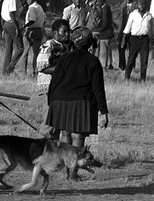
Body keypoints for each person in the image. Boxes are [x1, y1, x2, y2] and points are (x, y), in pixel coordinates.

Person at [46, 26, 109, 178]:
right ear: (89, 44)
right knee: (78, 137)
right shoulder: (93, 61)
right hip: (81, 102)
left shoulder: (64, 58)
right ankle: (73, 174)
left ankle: (66, 172)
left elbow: (54, 82)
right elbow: (98, 89)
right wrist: (104, 112)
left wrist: (51, 103)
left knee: (64, 135)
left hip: (60, 100)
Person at [36, 19, 70, 138]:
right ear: (55, 32)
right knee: (49, 119)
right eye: (64, 31)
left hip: (58, 88)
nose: (67, 34)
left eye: (68, 32)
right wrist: (63, 69)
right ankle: (42, 145)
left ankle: (53, 147)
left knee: (57, 120)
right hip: (50, 87)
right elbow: (41, 67)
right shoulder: (48, 45)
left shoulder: (63, 47)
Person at [121, 0, 154, 82]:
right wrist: (123, 40)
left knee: (144, 60)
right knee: (131, 59)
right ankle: (127, 77)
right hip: (134, 39)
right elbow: (127, 28)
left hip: (145, 40)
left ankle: (143, 78)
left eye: (143, 4)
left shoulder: (149, 15)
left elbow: (153, 29)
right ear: (137, 5)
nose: (142, 6)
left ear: (146, 5)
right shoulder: (133, 15)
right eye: (140, 4)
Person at [16, 0, 46, 76]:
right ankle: (35, 71)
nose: (27, 1)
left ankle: (21, 71)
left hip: (31, 30)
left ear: (30, 0)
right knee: (36, 53)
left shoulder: (32, 8)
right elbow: (45, 19)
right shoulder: (40, 7)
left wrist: (24, 26)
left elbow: (32, 20)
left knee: (25, 51)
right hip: (39, 30)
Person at [1, 0, 23, 75]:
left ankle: (5, 71)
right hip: (11, 24)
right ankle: (9, 68)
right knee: (20, 47)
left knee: (8, 49)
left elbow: (2, 13)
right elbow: (11, 14)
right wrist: (16, 27)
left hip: (6, 24)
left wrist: (3, 27)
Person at [118, 0, 138, 71]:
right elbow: (120, 17)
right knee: (121, 47)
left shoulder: (135, 6)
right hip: (123, 29)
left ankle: (131, 65)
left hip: (132, 30)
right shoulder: (123, 6)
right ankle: (122, 65)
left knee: (132, 49)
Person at [94, 0, 114, 69]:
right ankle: (109, 64)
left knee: (103, 50)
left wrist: (100, 29)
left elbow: (105, 21)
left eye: (98, 2)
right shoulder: (107, 8)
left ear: (102, 2)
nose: (97, 3)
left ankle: (104, 65)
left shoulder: (104, 9)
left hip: (105, 32)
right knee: (108, 49)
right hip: (108, 31)